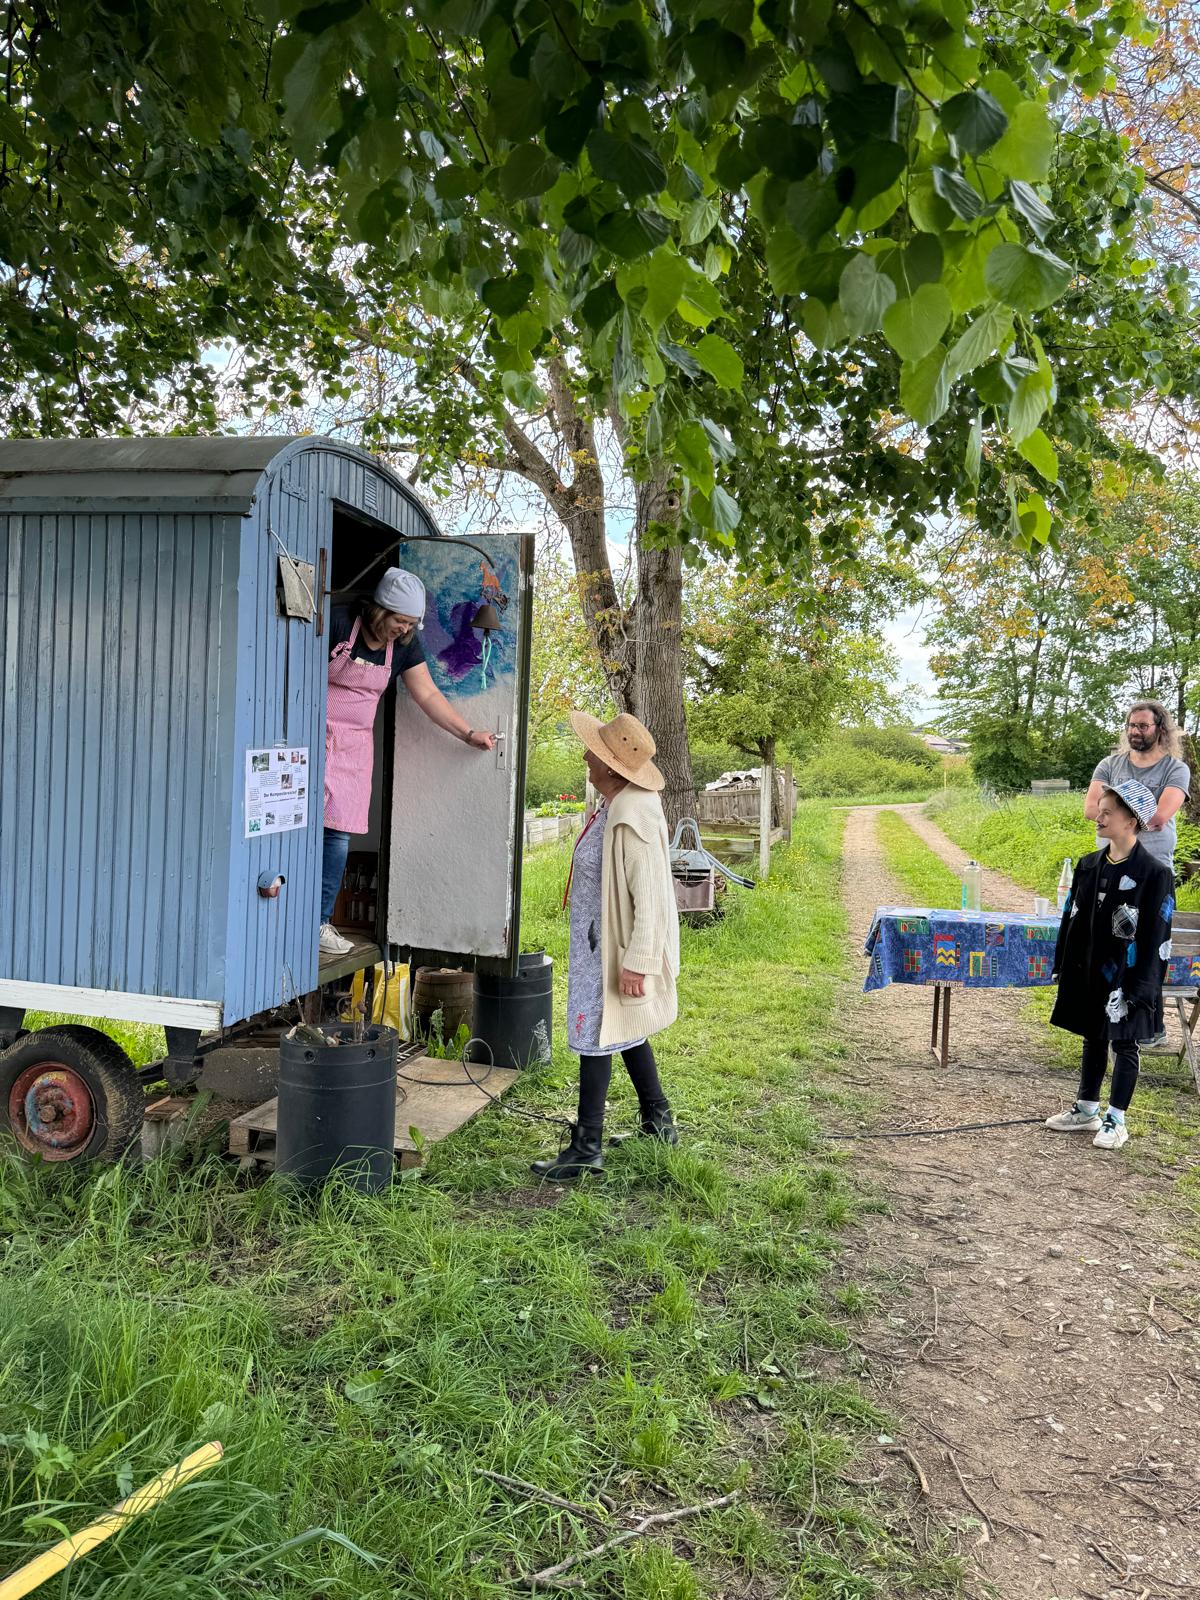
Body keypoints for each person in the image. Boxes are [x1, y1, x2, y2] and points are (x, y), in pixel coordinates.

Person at [531, 711, 681, 1180]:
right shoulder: (616, 801)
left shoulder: (633, 815)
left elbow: (652, 898)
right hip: (597, 941)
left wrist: (638, 961)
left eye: (593, 753)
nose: (585, 757)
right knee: (622, 1024)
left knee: (595, 1032)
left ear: (613, 768)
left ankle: (586, 1146)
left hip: (611, 947)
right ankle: (658, 1122)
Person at [321, 566, 494, 956]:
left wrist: (468, 734)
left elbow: (428, 695)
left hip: (351, 750)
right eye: (400, 621)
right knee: (296, 826)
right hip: (310, 737)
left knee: (337, 835)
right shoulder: (337, 623)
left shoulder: (403, 647)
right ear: (379, 610)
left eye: (412, 624)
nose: (404, 629)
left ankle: (318, 921)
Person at [1045, 779, 1174, 1151]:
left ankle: (1116, 1119)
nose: (1098, 818)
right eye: (1099, 811)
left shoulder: (1155, 874)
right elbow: (1070, 917)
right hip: (1090, 969)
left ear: (1131, 820)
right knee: (1093, 1036)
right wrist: (1064, 962)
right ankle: (1087, 1109)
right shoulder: (1089, 865)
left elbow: (1158, 934)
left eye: (1107, 813)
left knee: (1125, 1042)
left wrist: (1145, 985)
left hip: (1130, 975)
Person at [1084, 701, 1190, 875]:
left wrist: (1111, 818)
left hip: (1153, 867)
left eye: (1143, 726)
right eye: (1131, 725)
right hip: (1109, 862)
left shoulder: (1175, 769)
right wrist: (1135, 820)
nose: (1134, 731)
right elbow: (1090, 809)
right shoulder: (1109, 765)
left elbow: (1159, 817)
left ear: (1161, 729)